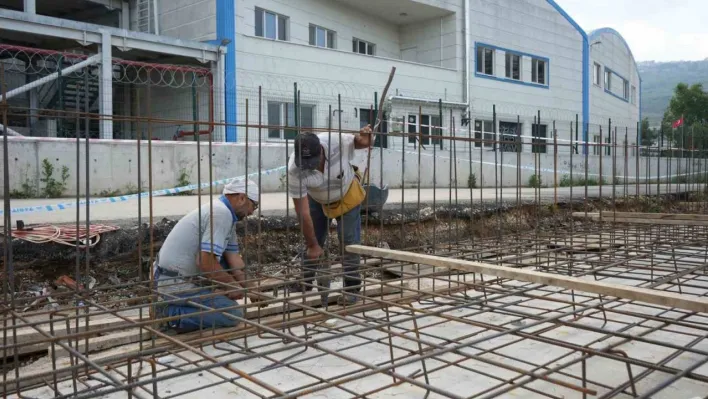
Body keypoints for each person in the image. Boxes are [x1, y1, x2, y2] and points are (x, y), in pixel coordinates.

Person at [153, 179, 260, 333]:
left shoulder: (227, 216)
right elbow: (205, 262)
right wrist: (232, 285)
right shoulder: (220, 213)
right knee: (232, 314)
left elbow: (234, 259)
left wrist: (252, 289)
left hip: (177, 277)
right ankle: (168, 315)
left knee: (223, 265)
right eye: (254, 205)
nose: (252, 212)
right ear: (242, 198)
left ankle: (176, 307)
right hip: (175, 283)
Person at [288, 125, 373, 305]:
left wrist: (365, 138)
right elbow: (302, 212)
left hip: (346, 194)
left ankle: (352, 287)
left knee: (349, 240)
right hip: (317, 200)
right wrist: (312, 245)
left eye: (313, 162)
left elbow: (360, 142)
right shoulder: (295, 170)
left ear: (321, 150)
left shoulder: (336, 141)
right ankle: (305, 281)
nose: (311, 168)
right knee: (314, 240)